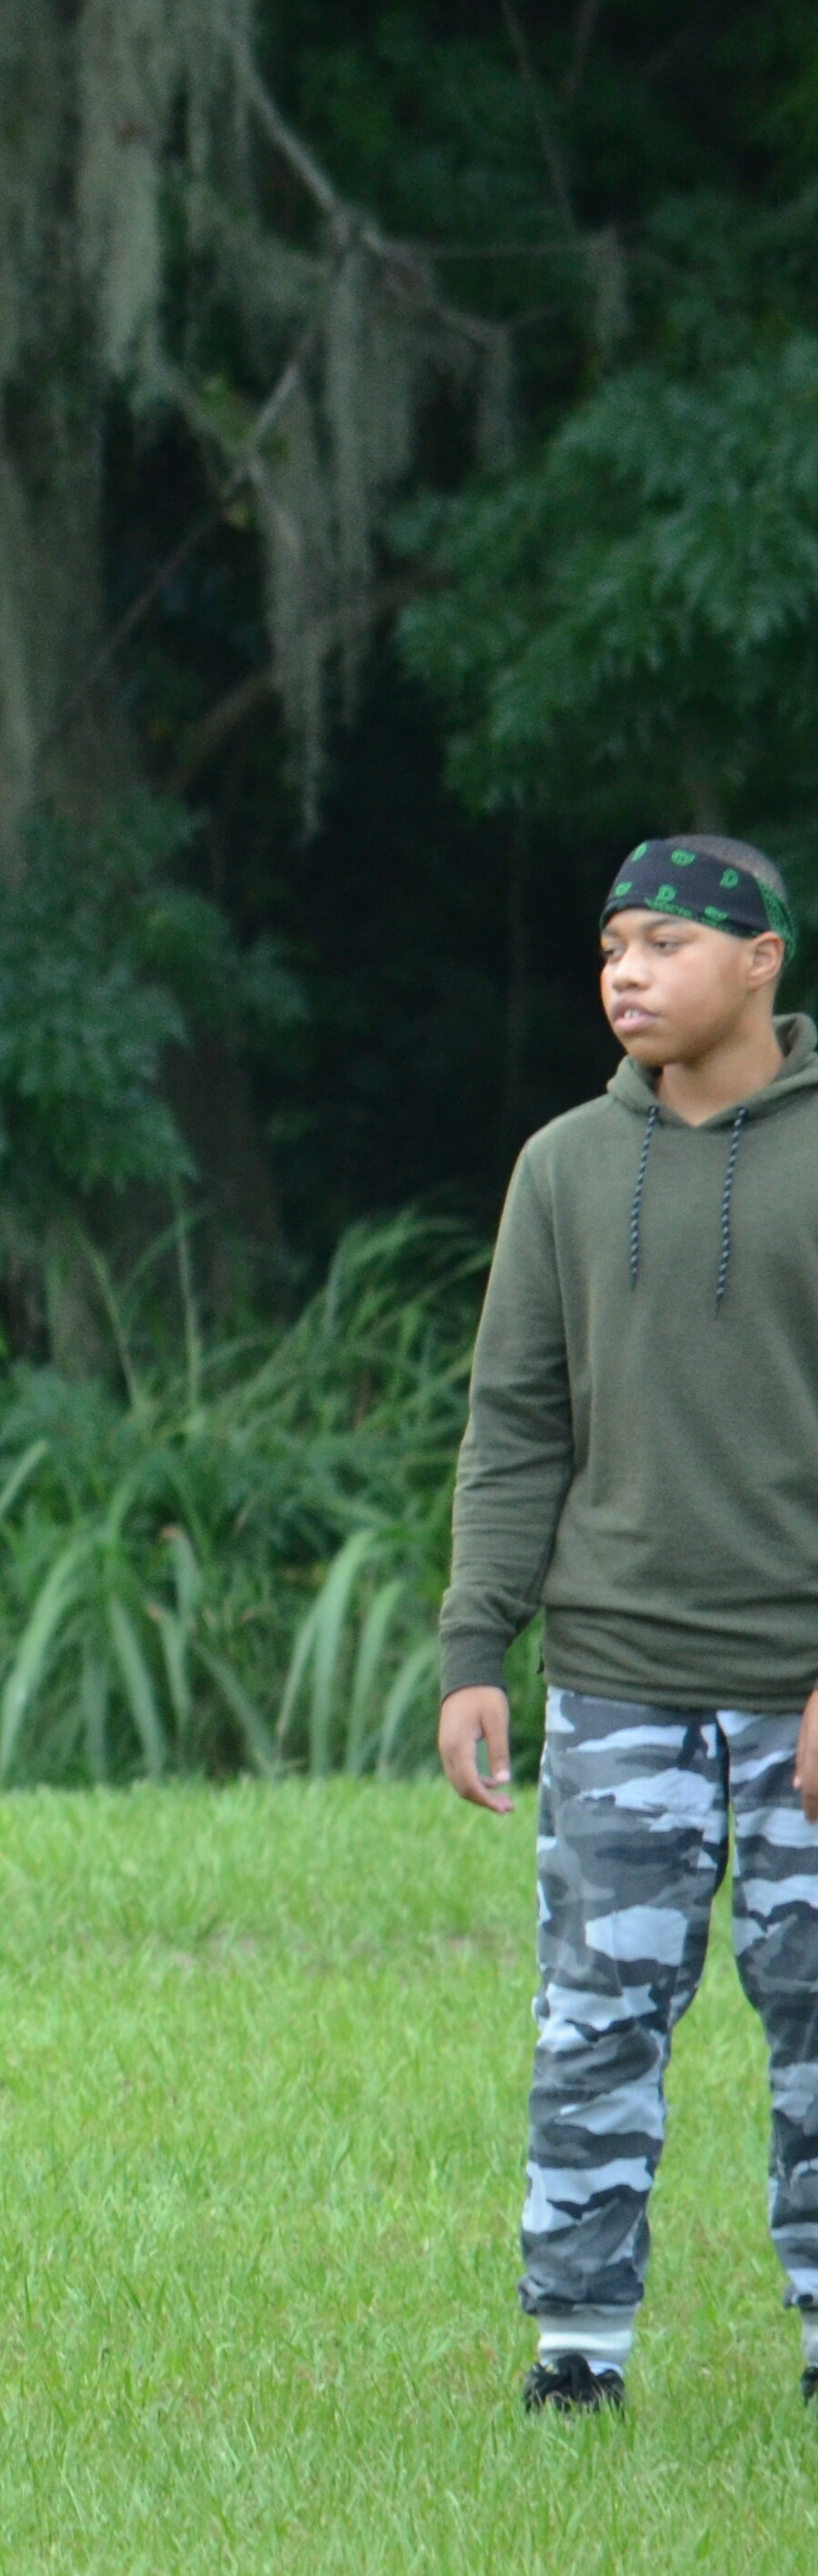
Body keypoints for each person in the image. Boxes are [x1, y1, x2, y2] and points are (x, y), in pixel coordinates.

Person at [439, 834, 818, 2416]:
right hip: (614, 1682)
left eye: (665, 942)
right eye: (610, 945)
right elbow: (515, 1423)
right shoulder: (562, 1168)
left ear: (760, 962)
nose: (626, 972)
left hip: (798, 1688)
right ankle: (578, 2347)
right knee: (594, 2021)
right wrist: (475, 1647)